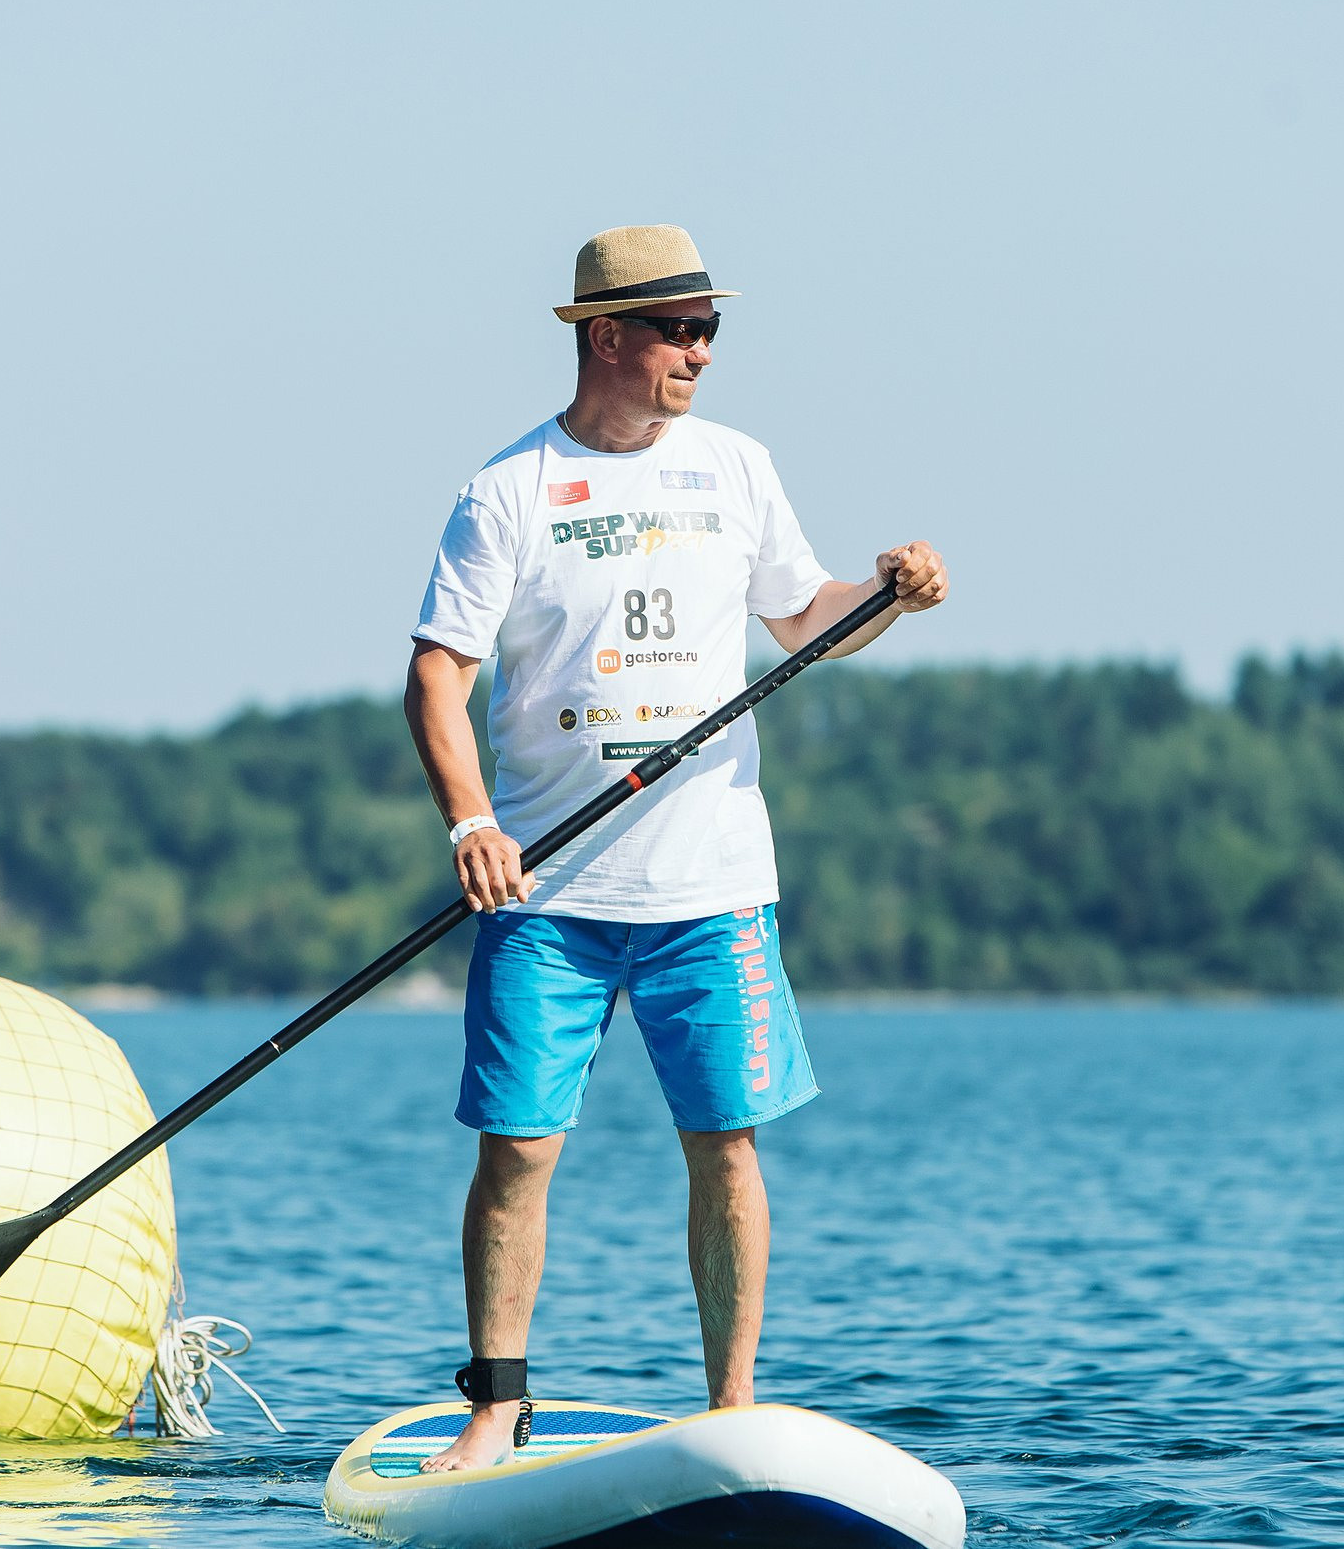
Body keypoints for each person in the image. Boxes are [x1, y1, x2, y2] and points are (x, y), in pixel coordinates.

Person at [404, 224, 949, 1469]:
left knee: (727, 1143)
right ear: (607, 336)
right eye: (678, 328)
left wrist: (885, 595)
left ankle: (732, 1406)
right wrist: (471, 821)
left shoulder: (737, 468)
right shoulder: (511, 489)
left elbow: (804, 621)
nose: (700, 351)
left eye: (711, 328)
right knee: (520, 1149)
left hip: (711, 886)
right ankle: (496, 1404)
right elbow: (439, 674)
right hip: (546, 890)